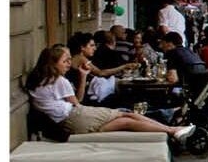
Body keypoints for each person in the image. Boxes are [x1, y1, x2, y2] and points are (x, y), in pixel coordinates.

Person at [26, 45, 194, 141]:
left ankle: (173, 129)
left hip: (71, 121)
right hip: (75, 116)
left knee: (126, 119)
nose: (69, 64)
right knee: (126, 117)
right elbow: (78, 101)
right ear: (52, 63)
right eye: (65, 61)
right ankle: (172, 129)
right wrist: (83, 77)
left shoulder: (40, 80)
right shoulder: (58, 81)